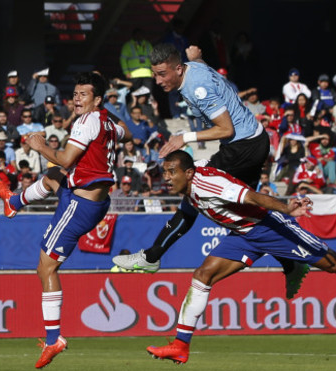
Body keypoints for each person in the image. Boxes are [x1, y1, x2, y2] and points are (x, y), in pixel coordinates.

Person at [144, 151, 336, 364]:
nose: (166, 178)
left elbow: (253, 197)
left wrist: (285, 208)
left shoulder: (209, 185)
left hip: (269, 227)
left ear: (190, 172)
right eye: (165, 173)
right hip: (244, 235)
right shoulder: (192, 189)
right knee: (202, 275)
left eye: (171, 172)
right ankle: (181, 345)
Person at [114, 43, 308, 299]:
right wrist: (200, 59)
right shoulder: (193, 70)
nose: (158, 80)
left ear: (179, 68)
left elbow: (225, 129)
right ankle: (291, 263)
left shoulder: (196, 87)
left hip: (242, 146)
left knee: (193, 193)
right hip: (253, 142)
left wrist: (185, 137)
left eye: (163, 74)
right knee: (249, 215)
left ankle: (152, 256)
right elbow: (212, 80)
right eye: (155, 74)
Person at [0, 72, 130, 368]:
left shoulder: (88, 120)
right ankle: (14, 202)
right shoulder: (106, 121)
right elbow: (127, 133)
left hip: (80, 205)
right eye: (76, 93)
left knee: (45, 267)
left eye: (84, 94)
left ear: (97, 100)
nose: (77, 99)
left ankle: (54, 337)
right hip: (88, 198)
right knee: (54, 177)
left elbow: (66, 159)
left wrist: (39, 145)